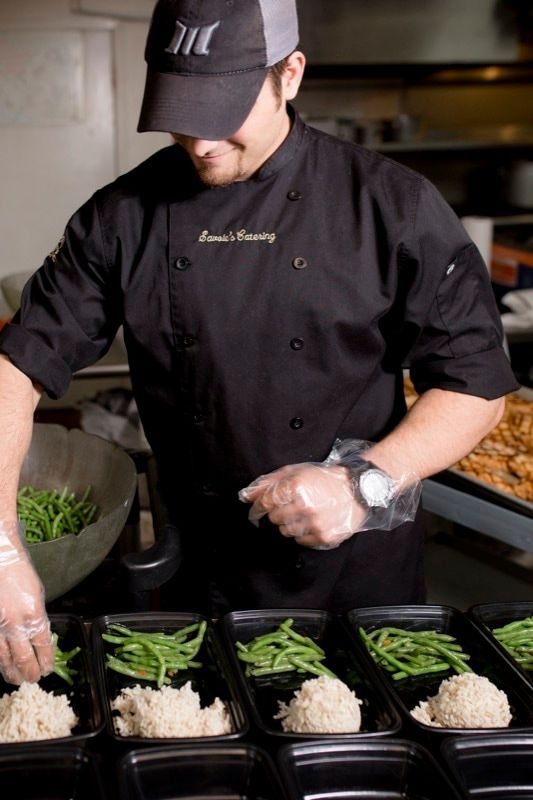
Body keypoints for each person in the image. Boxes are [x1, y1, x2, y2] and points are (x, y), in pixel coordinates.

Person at [0, 0, 520, 684]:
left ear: (290, 75)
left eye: (222, 110)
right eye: (182, 113)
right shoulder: (120, 217)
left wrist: (361, 486)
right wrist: (4, 553)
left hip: (357, 579)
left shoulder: (391, 206)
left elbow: (474, 386)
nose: (201, 141)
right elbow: (15, 366)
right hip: (201, 566)